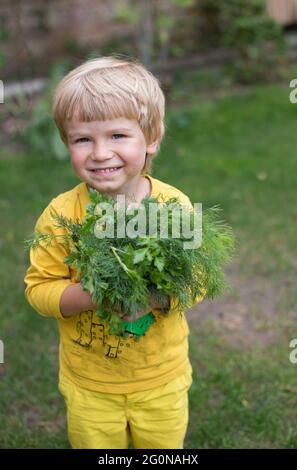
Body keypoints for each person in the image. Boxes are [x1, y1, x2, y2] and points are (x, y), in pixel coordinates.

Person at [24, 56, 202, 449]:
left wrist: (153, 296)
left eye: (118, 136)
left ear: (151, 138)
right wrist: (93, 295)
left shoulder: (173, 208)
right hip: (90, 384)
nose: (100, 153)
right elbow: (39, 290)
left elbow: (199, 279)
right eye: (82, 139)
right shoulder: (60, 216)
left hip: (161, 378)